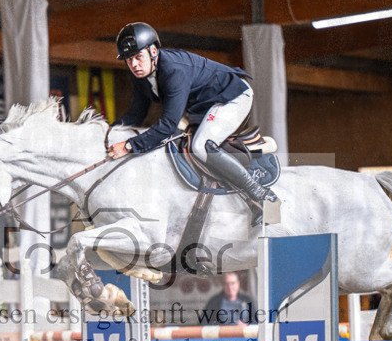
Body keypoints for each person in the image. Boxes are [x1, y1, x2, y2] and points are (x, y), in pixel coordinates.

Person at [106, 22, 276, 214]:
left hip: (231, 96)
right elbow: (136, 114)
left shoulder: (173, 70)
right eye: (129, 60)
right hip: (202, 105)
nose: (134, 64)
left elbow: (168, 124)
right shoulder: (141, 75)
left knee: (200, 146)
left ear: (153, 51)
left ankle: (263, 196)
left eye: (138, 57)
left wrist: (129, 146)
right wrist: (108, 133)